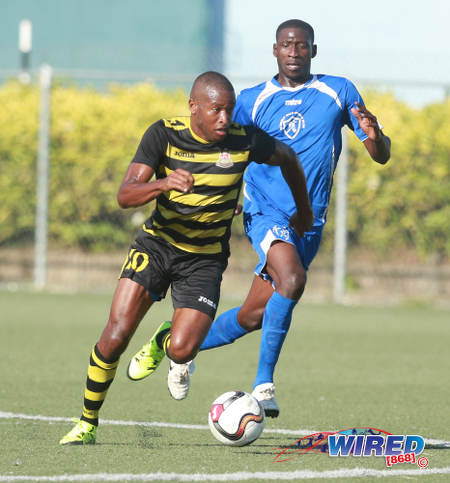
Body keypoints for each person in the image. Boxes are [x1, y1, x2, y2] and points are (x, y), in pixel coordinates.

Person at [128, 19, 391, 418]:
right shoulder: (251, 100)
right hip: (265, 212)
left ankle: (172, 342)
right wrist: (223, 197)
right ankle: (263, 387)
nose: (294, 52)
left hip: (310, 221)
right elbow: (228, 152)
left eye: (302, 45)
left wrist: (374, 135)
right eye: (286, 45)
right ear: (274, 51)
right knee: (292, 279)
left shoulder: (338, 91)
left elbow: (381, 154)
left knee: (253, 315)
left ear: (313, 51)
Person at [59, 71, 313, 445]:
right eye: (216, 110)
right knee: (115, 336)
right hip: (157, 246)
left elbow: (289, 158)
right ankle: (87, 422)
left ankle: (166, 341)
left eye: (228, 110)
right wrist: (163, 183)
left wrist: (303, 211)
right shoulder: (163, 134)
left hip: (204, 260)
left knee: (183, 349)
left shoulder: (244, 140)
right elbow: (125, 194)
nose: (225, 119)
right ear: (193, 107)